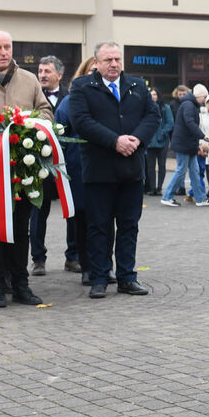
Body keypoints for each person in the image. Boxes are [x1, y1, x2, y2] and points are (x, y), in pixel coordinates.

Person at [68, 40, 159, 299]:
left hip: (131, 169)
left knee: (129, 225)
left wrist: (137, 139)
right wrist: (114, 141)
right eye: (108, 60)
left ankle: (127, 277)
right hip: (99, 170)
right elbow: (82, 121)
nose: (114, 64)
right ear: (96, 63)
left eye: (117, 59)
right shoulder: (82, 86)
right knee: (99, 226)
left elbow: (152, 116)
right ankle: (99, 278)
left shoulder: (137, 85)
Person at [0, 29, 52, 307]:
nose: (4, 52)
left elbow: (46, 111)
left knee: (20, 230)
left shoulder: (29, 79)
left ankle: (21, 284)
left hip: (21, 174)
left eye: (8, 47)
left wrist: (32, 125)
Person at [55, 57, 104, 287]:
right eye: (92, 71)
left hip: (105, 168)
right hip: (78, 169)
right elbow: (60, 136)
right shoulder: (68, 103)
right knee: (83, 221)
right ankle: (86, 267)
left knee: (105, 221)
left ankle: (105, 265)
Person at [30, 55, 78, 277]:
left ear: (60, 74)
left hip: (68, 166)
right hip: (40, 165)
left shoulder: (72, 98)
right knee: (38, 213)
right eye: (40, 71)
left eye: (47, 71)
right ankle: (38, 259)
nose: (42, 75)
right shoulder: (32, 97)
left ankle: (73, 256)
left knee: (73, 212)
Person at [161, 84, 209, 208]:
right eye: (204, 97)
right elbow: (189, 123)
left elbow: (189, 125)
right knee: (181, 170)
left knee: (194, 171)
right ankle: (167, 196)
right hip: (183, 144)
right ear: (199, 96)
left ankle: (200, 198)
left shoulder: (190, 104)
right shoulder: (189, 105)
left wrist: (197, 144)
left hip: (188, 144)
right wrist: (202, 136)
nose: (205, 99)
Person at [144, 88, 174, 196]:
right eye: (151, 94)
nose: (153, 96)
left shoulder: (165, 108)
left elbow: (170, 123)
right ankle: (152, 188)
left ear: (158, 96)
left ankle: (160, 187)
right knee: (150, 166)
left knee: (162, 165)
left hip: (162, 141)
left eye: (155, 94)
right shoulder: (146, 107)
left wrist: (163, 133)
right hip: (150, 141)